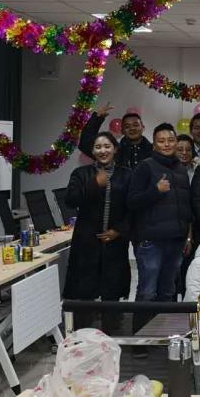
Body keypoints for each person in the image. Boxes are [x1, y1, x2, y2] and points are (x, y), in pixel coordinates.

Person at [127, 122, 193, 328]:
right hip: (151, 242)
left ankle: (163, 334)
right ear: (154, 144)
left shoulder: (181, 169)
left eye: (171, 140)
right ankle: (140, 337)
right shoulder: (145, 167)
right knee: (147, 291)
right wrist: (155, 191)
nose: (167, 144)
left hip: (176, 240)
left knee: (168, 291)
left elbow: (187, 207)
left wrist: (187, 236)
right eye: (161, 141)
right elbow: (131, 202)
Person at [63, 132, 131, 329]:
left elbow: (132, 208)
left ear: (115, 149)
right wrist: (94, 184)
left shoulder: (126, 174)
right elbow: (70, 200)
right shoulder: (81, 173)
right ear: (92, 151)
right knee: (84, 289)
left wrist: (119, 230)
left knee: (112, 288)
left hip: (115, 241)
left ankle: (111, 331)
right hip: (87, 241)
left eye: (107, 146)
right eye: (98, 147)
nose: (103, 151)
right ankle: (82, 333)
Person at [79, 102, 153, 171]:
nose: (132, 128)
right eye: (127, 126)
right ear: (122, 131)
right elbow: (85, 144)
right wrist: (97, 119)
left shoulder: (154, 151)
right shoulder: (114, 152)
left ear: (143, 127)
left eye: (135, 125)